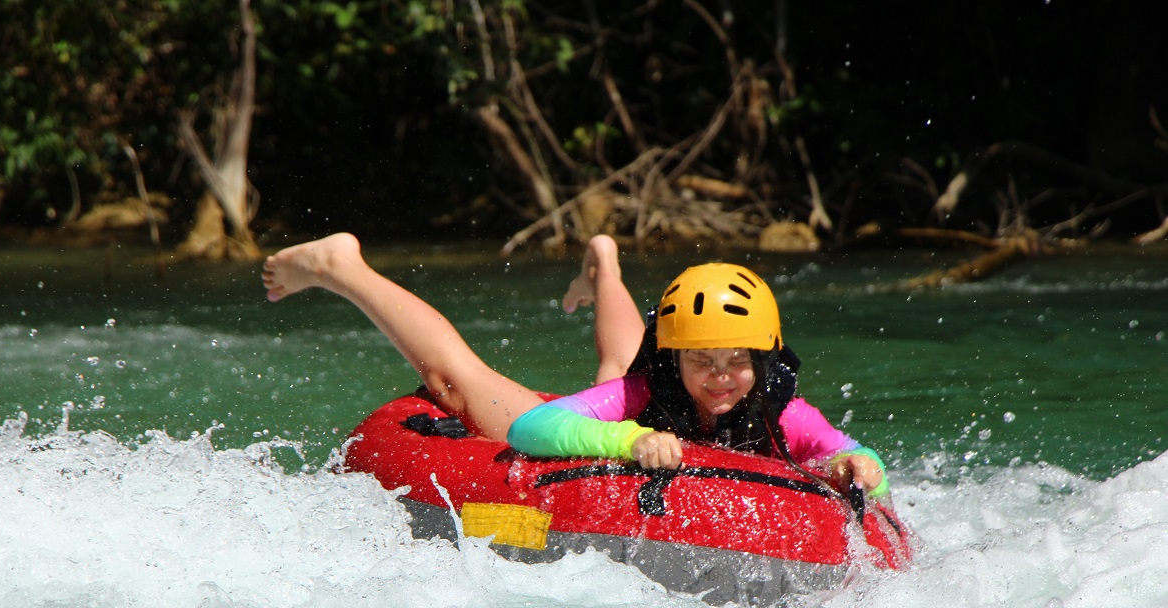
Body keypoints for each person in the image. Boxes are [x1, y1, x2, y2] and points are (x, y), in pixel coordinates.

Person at [262, 233, 887, 497]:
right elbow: (531, 430)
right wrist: (630, 438)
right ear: (673, 355)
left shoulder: (783, 411)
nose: (721, 378)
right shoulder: (647, 388)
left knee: (617, 361)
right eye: (701, 361)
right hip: (613, 424)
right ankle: (342, 266)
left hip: (639, 410)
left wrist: (854, 466)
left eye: (737, 362)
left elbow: (863, 465)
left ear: (765, 360)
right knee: (453, 382)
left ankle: (604, 263)